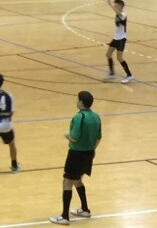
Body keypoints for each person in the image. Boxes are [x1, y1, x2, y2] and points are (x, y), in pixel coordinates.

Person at [51, 90, 102, 224]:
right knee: (78, 180)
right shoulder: (96, 116)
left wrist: (67, 135)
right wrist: (90, 149)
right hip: (89, 153)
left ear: (81, 102)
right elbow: (98, 138)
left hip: (76, 154)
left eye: (77, 99)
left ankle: (64, 216)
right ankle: (85, 209)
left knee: (67, 182)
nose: (76, 102)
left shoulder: (79, 117)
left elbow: (74, 137)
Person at [104, 0, 133, 83]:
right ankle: (112, 73)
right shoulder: (118, 14)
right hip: (115, 38)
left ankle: (129, 75)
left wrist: (111, 5)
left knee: (119, 58)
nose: (115, 6)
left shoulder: (123, 14)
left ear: (120, 6)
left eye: (116, 5)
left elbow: (118, 13)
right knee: (108, 54)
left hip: (121, 39)